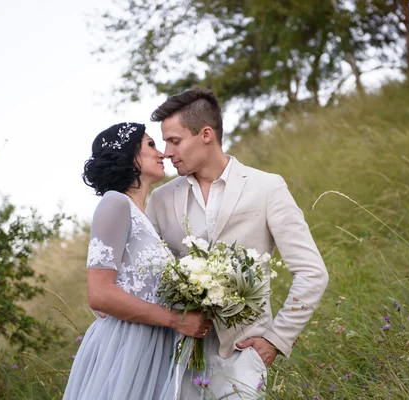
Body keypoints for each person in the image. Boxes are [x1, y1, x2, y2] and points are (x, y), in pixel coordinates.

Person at [146, 89, 329, 399]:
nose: (166, 152)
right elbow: (148, 275)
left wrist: (275, 340)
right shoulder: (161, 199)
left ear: (206, 134)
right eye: (164, 142)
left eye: (174, 141)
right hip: (179, 357)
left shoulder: (267, 187)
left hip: (245, 354)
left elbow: (313, 272)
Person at [64, 122, 213, 400]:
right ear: (130, 156)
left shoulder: (143, 217)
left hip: (154, 346)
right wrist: (176, 321)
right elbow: (100, 294)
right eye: (151, 145)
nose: (163, 154)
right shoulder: (115, 203)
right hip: (126, 347)